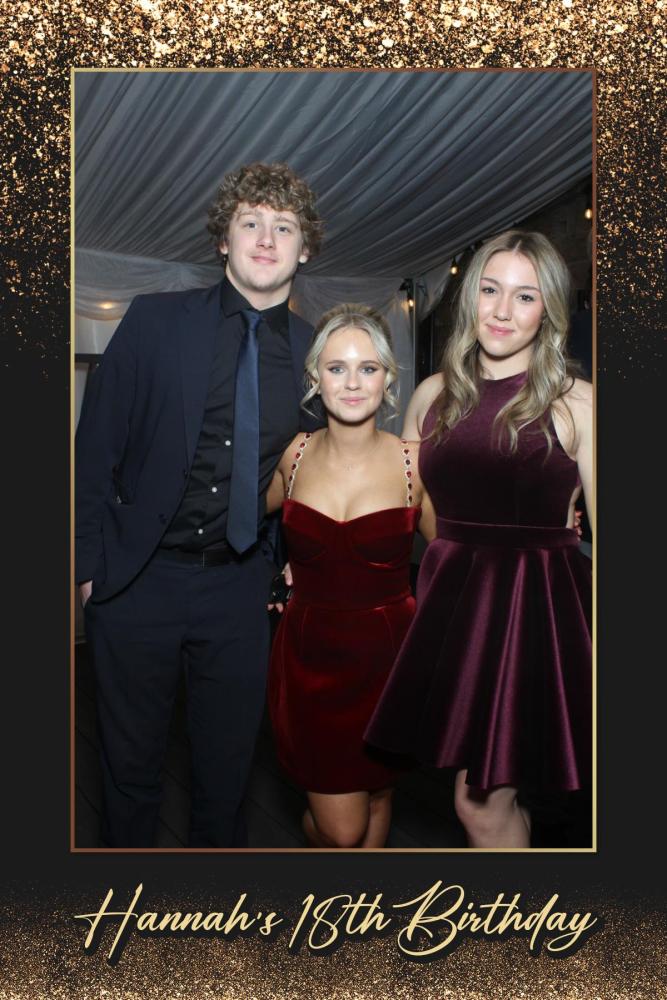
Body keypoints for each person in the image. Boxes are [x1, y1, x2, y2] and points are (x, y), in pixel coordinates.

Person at [75, 162, 323, 848]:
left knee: (225, 779)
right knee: (128, 774)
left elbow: (322, 466)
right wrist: (89, 570)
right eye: (250, 222)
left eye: (284, 227)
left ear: (305, 248)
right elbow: (94, 449)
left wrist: (298, 563)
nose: (266, 239)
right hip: (136, 581)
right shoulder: (154, 322)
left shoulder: (318, 354)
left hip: (240, 591)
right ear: (223, 239)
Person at [366, 230, 593, 849]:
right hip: (453, 612)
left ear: (550, 309)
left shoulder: (578, 404)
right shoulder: (432, 395)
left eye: (525, 296)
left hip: (537, 616)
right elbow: (408, 508)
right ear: (470, 298)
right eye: (490, 290)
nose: (502, 310)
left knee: (480, 806)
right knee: (480, 804)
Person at [265, 304, 434, 848]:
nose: (353, 383)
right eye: (337, 368)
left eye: (368, 368)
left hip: (390, 662)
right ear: (316, 378)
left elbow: (457, 554)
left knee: (379, 793)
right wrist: (278, 570)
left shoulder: (415, 464)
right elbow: (237, 520)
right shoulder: (294, 454)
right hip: (310, 663)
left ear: (388, 378)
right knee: (341, 831)